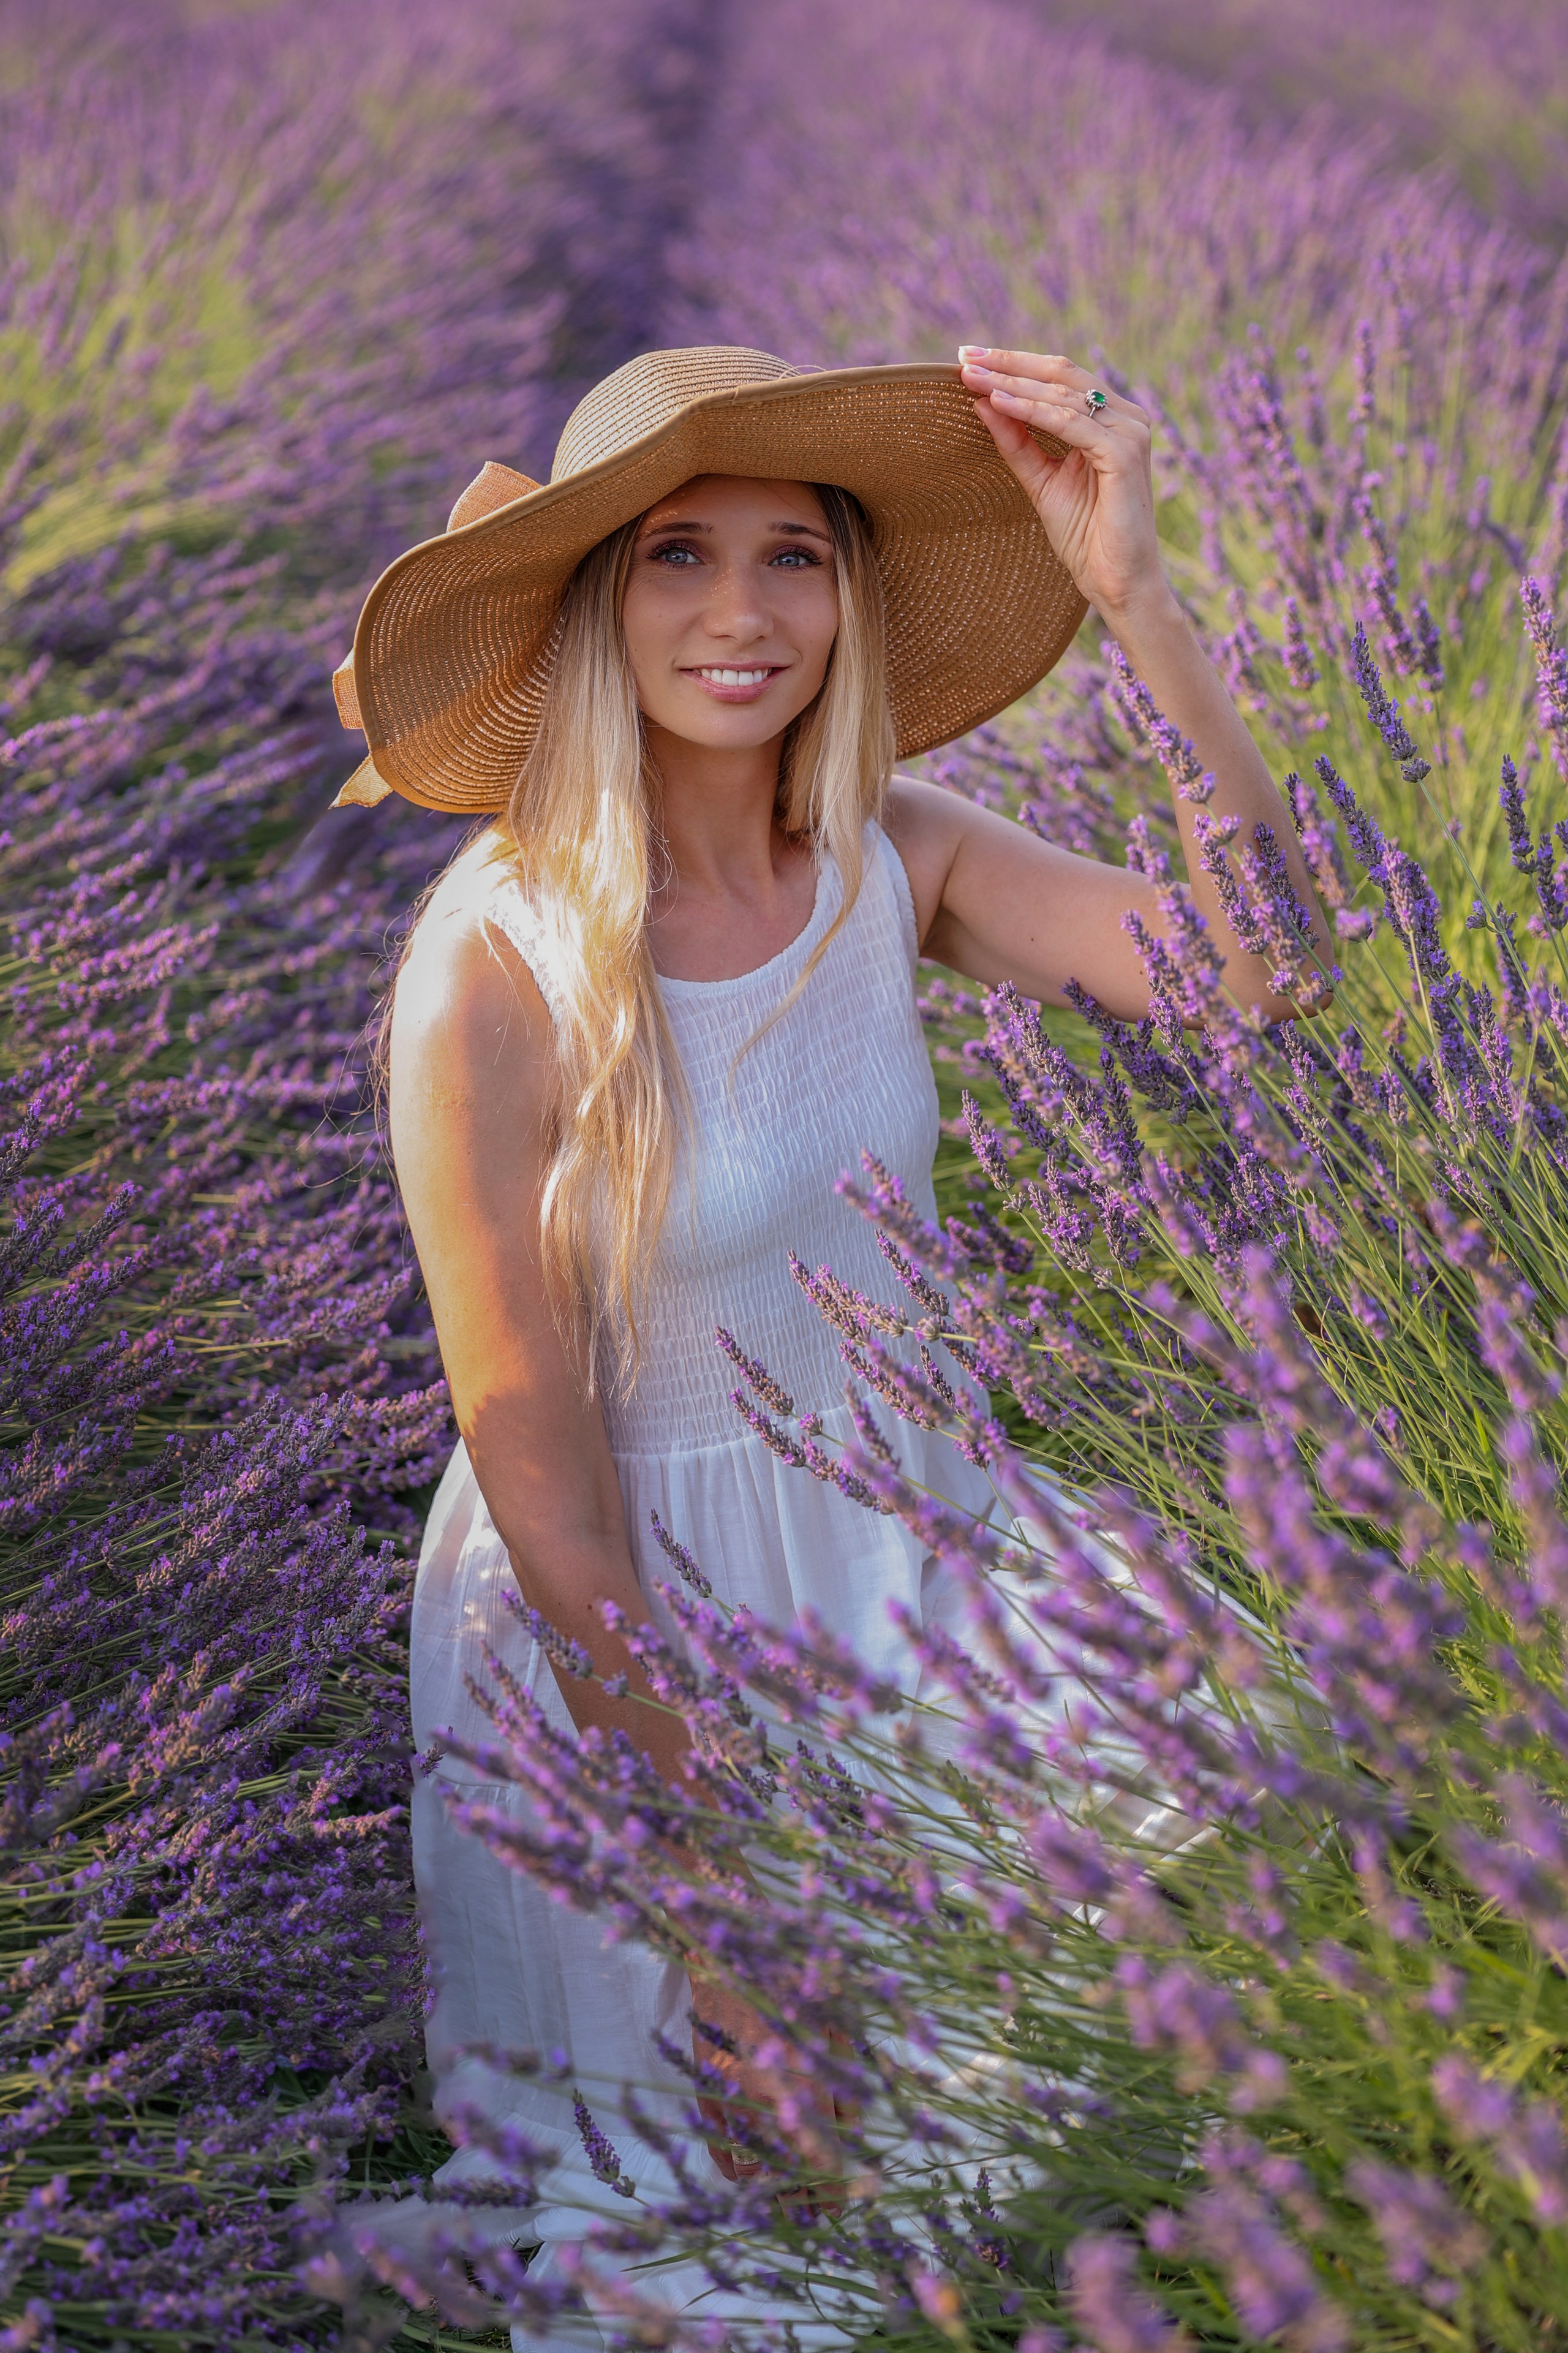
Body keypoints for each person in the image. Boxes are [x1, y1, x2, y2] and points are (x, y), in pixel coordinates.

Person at [334, 342, 1327, 2336]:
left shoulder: (890, 851)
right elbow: (543, 1481)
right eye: (678, 554)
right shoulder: (495, 964)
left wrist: (1136, 595)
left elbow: (1268, 967)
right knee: (784, 2261)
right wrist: (725, 1916)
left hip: (918, 1541)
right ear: (596, 599)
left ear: (850, 595)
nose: (742, 611)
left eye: (793, 554)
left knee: (1219, 1852)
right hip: (645, 1642)